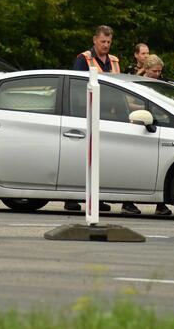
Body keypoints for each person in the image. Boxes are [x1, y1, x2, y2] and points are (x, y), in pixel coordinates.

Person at [67, 25, 120, 213]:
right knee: (82, 156)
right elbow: (77, 86)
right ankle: (72, 198)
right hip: (87, 112)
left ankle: (95, 197)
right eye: (103, 42)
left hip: (108, 114)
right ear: (94, 40)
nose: (106, 45)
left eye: (109, 42)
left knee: (100, 158)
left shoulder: (114, 60)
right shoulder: (84, 59)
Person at [137, 55, 172, 216]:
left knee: (160, 166)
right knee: (138, 165)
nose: (158, 74)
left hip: (157, 124)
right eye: (154, 71)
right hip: (140, 125)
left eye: (159, 71)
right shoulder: (136, 83)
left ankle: (160, 203)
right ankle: (128, 202)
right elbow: (130, 102)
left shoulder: (160, 84)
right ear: (146, 69)